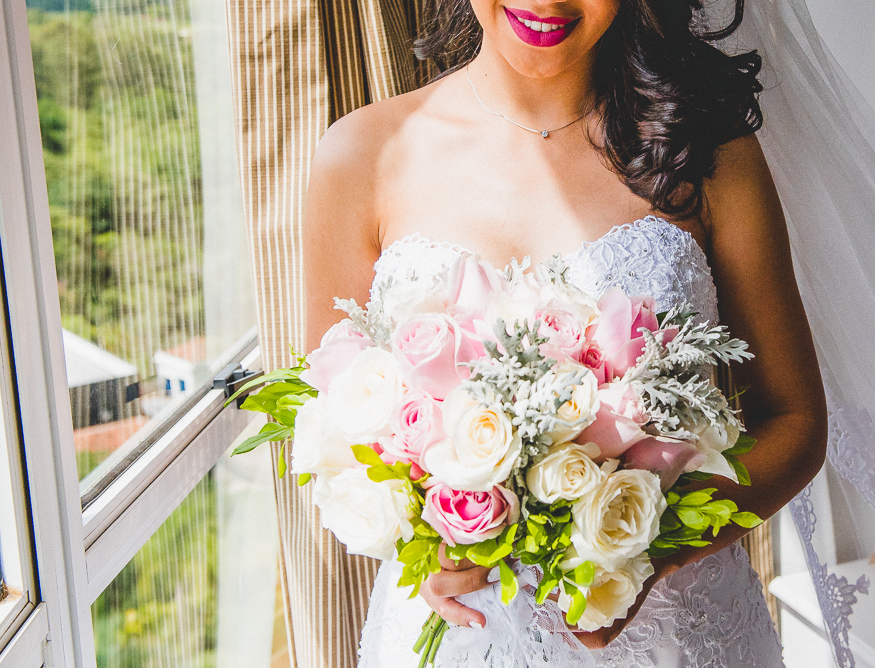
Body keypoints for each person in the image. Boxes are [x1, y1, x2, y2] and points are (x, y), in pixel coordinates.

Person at [301, 0, 827, 664]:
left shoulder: (709, 152)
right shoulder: (361, 155)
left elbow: (795, 417)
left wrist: (640, 546)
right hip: (457, 639)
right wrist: (424, 538)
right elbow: (327, 422)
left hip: (676, 636)